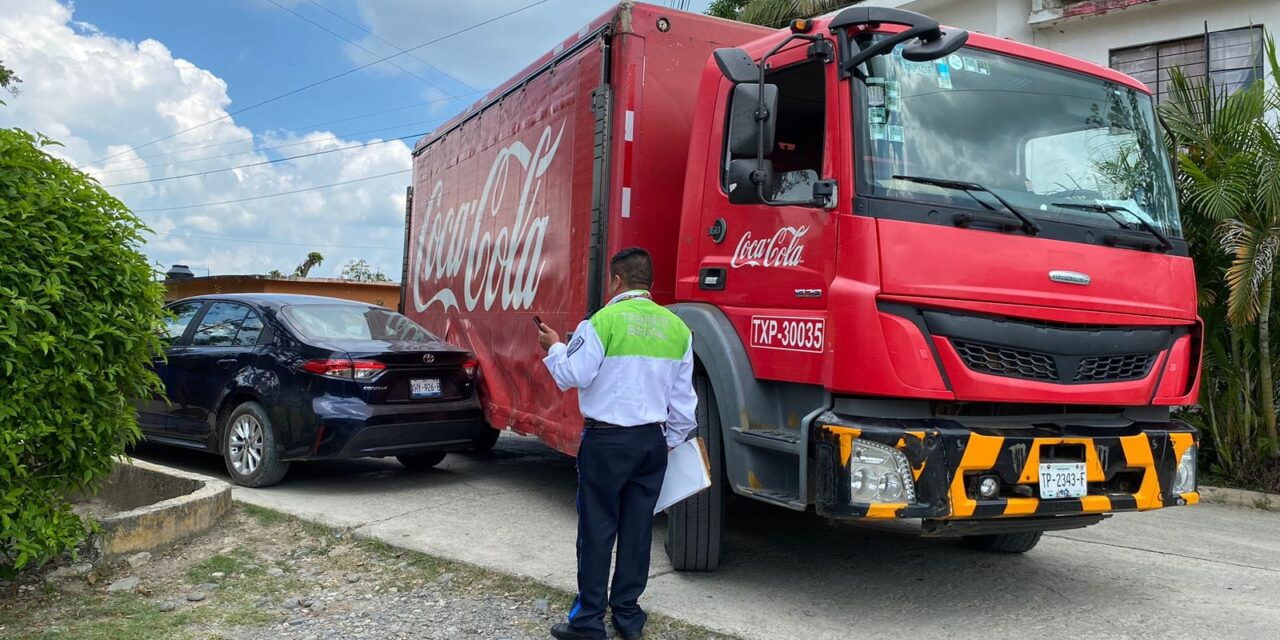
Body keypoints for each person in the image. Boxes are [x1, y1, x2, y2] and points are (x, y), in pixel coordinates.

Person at [537, 247, 697, 640]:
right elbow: (684, 403)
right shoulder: (677, 329)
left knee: (597, 529)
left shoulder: (602, 322)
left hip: (607, 443)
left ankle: (589, 621)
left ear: (616, 281)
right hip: (652, 444)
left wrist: (554, 346)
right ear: (650, 283)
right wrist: (670, 442)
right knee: (638, 530)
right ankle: (627, 615)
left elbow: (573, 373)